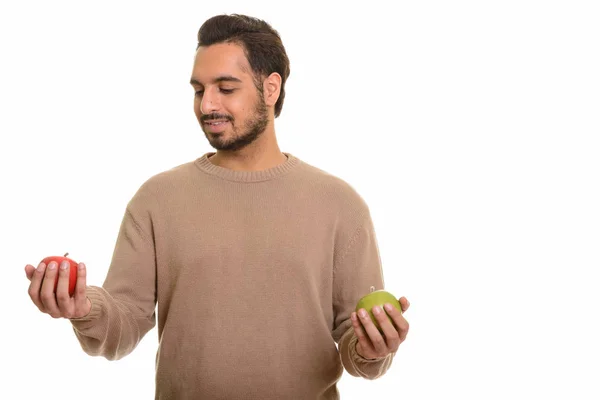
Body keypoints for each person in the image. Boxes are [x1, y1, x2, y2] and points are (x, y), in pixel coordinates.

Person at [25, 13, 410, 399]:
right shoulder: (157, 199)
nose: (207, 104)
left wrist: (373, 346)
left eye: (226, 88)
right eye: (198, 90)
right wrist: (83, 308)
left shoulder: (340, 204)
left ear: (271, 88)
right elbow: (124, 322)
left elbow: (355, 343)